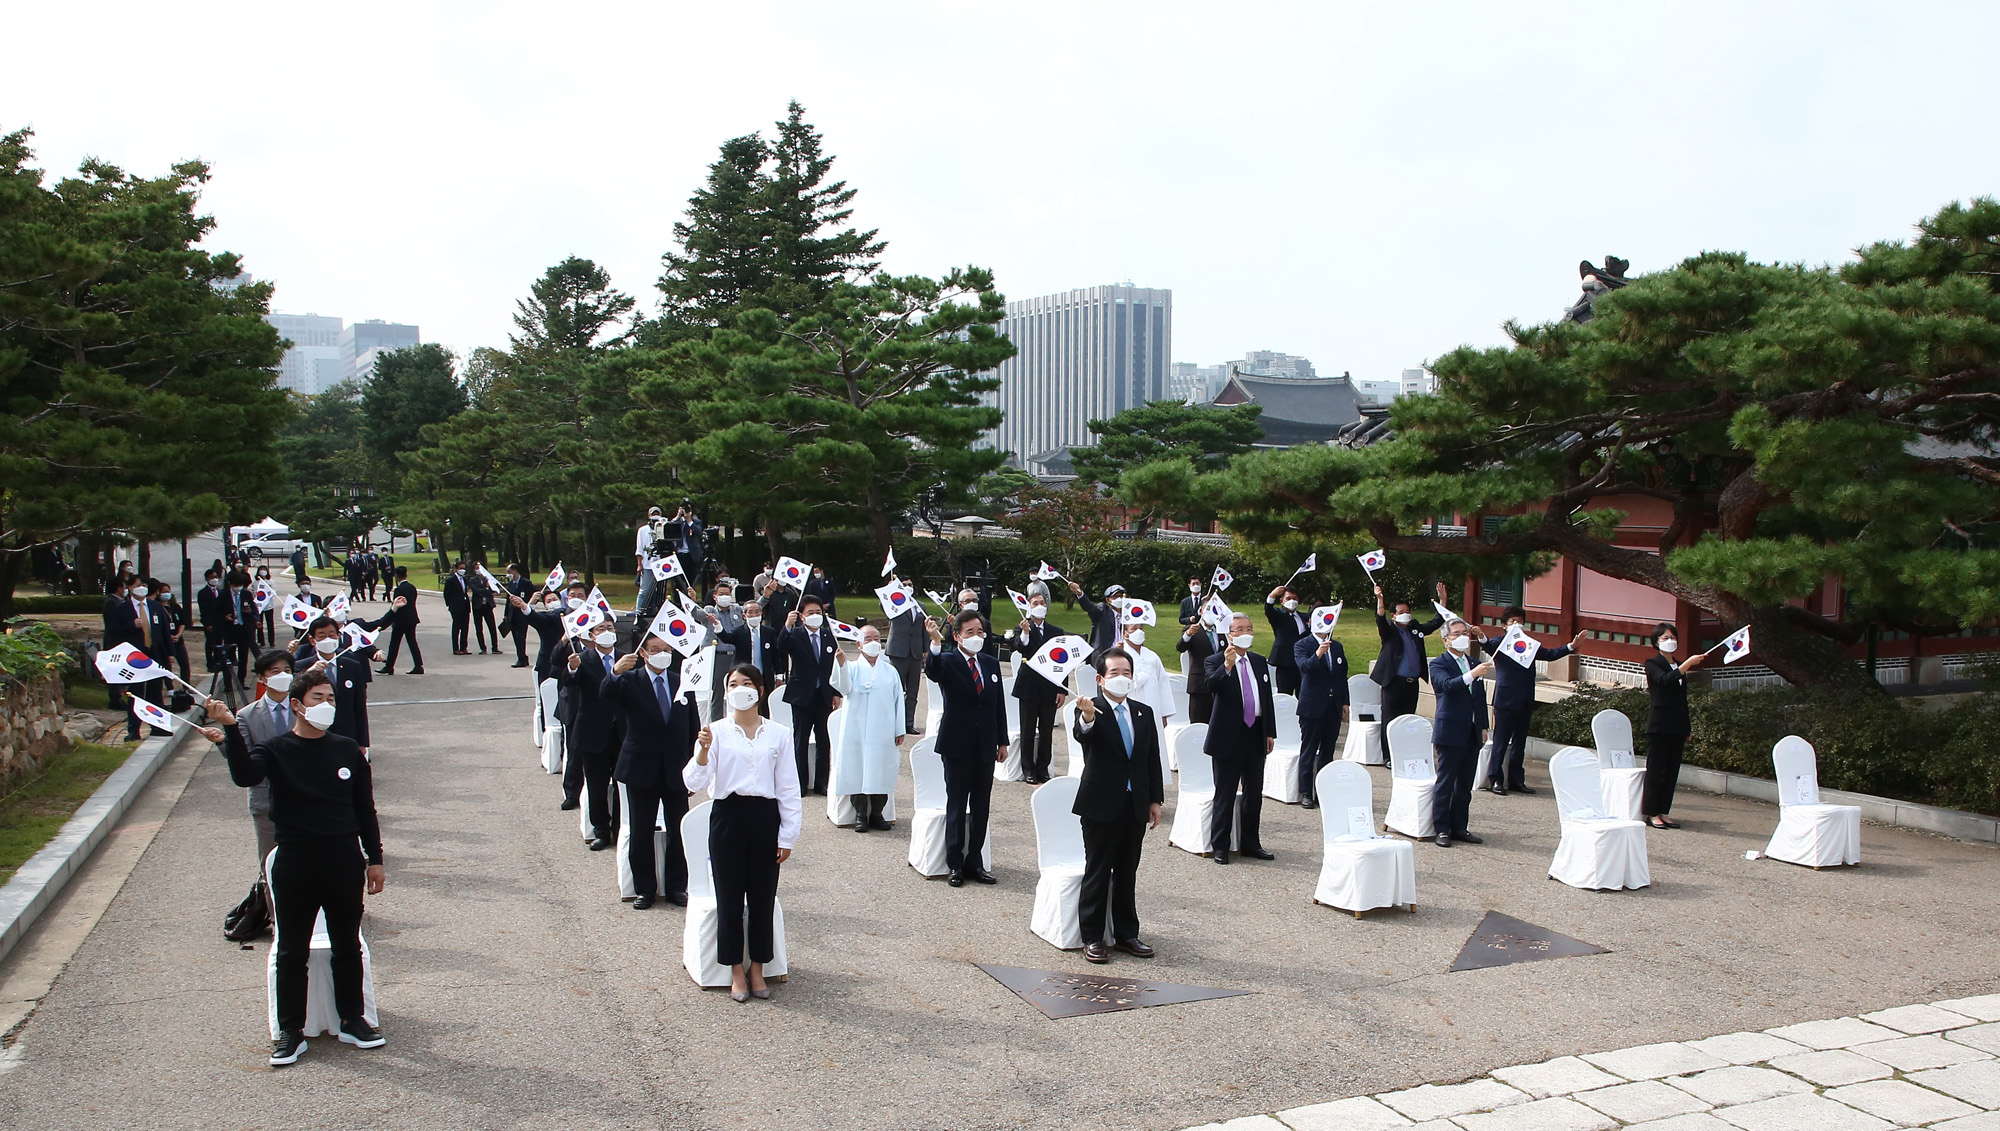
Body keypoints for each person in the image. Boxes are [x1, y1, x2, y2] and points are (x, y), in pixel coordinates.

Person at [200, 670, 385, 1067]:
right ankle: (290, 1031)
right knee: (291, 949)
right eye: (318, 698)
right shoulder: (276, 749)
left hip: (343, 859)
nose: (327, 706)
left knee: (346, 943)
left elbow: (364, 809)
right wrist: (231, 729)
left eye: (331, 698)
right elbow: (244, 776)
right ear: (297, 704)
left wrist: (375, 859)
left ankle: (353, 1019)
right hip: (296, 860)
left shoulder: (347, 750)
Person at [686, 665, 800, 1002]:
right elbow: (692, 783)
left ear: (760, 690)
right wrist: (703, 750)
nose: (740, 689)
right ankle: (735, 969)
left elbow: (789, 787)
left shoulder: (779, 733)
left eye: (747, 683)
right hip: (728, 817)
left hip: (765, 818)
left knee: (762, 898)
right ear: (726, 692)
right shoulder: (716, 731)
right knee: (730, 898)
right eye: (733, 684)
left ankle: (757, 968)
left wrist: (788, 835)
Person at [1070, 649, 1164, 964]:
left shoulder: (1143, 712)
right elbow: (1084, 735)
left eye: (1126, 672)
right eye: (1114, 673)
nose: (1121, 677)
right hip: (1100, 804)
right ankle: (1093, 937)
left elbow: (1151, 758)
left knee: (1127, 871)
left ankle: (1127, 934)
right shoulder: (1090, 708)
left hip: (1134, 803)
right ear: (1100, 679)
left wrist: (1155, 799)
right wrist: (1087, 716)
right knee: (1098, 870)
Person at [600, 634, 698, 908]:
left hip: (675, 767)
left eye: (666, 649)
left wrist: (694, 766)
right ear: (643, 652)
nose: (661, 654)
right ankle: (645, 888)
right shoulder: (631, 680)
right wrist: (616, 671)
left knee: (679, 829)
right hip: (641, 766)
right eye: (655, 649)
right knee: (641, 830)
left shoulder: (681, 681)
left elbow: (692, 724)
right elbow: (606, 693)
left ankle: (677, 886)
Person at [924, 609, 1008, 886]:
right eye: (970, 632)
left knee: (981, 806)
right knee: (957, 805)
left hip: (985, 744)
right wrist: (936, 642)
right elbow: (933, 671)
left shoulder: (990, 663)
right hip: (957, 743)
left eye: (980, 631)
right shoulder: (947, 661)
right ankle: (955, 864)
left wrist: (1002, 740)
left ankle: (976, 861)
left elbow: (998, 705)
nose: (977, 636)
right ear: (958, 635)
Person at [1486, 609, 1587, 796]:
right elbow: (1487, 647)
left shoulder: (1528, 645)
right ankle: (1496, 779)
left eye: (1520, 621)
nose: (1517, 624)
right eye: (1513, 621)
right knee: (1500, 742)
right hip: (1505, 700)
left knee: (1520, 743)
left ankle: (1517, 780)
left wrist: (1571, 646)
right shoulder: (1499, 643)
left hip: (1525, 700)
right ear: (1504, 625)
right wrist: (1481, 637)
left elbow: (1550, 654)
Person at [1202, 613, 1276, 864]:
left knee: (1254, 792)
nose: (1246, 632)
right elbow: (1212, 686)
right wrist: (1227, 666)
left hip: (1255, 732)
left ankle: (1251, 843)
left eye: (1249, 628)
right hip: (1228, 737)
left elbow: (1265, 698)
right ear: (1229, 634)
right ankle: (1220, 845)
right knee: (1225, 792)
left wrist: (1269, 732)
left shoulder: (1258, 661)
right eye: (1239, 629)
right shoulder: (1215, 660)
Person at [557, 617, 625, 848]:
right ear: (592, 635)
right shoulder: (583, 659)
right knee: (596, 785)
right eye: (601, 629)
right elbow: (568, 681)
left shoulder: (627, 658)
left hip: (622, 732)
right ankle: (601, 831)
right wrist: (572, 668)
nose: (607, 632)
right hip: (592, 732)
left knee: (621, 784)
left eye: (610, 628)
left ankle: (620, 828)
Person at [830, 625, 905, 832]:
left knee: (880, 770)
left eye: (876, 638)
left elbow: (899, 701)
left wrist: (899, 729)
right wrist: (842, 665)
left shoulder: (890, 671)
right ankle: (860, 814)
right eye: (868, 638)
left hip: (883, 731)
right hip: (857, 730)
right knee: (858, 769)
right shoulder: (852, 668)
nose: (873, 642)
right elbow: (843, 688)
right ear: (859, 643)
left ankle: (877, 813)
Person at [1429, 618, 1494, 848]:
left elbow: (1479, 699)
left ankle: (1460, 826)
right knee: (1446, 781)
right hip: (1450, 729)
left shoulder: (1474, 662)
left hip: (1471, 730)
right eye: (1456, 633)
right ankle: (1442, 828)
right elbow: (1447, 685)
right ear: (1446, 640)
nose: (1462, 636)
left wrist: (1484, 726)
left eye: (1464, 632)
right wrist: (1472, 674)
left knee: (1465, 783)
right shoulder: (1439, 664)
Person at [237, 650, 295, 897]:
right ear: (262, 678)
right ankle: (276, 920)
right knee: (272, 864)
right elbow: (244, 764)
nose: (283, 676)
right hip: (267, 802)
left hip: (307, 798)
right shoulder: (247, 716)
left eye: (287, 671)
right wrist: (224, 740)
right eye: (275, 672)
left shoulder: (307, 709)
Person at [777, 593, 842, 796]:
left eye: (818, 612)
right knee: (801, 740)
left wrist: (836, 693)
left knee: (824, 739)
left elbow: (833, 667)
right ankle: (800, 783)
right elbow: (781, 645)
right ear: (802, 616)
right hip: (801, 695)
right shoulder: (795, 635)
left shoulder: (828, 635)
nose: (815, 615)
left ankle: (822, 783)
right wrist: (788, 624)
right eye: (810, 612)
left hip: (823, 695)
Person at [1371, 581, 1448, 751]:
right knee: (1390, 719)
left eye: (1407, 612)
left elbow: (1435, 623)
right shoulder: (1390, 630)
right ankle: (1388, 755)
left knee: (1407, 718)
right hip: (1393, 682)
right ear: (1394, 615)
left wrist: (1442, 602)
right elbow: (1380, 620)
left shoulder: (1414, 628)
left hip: (1412, 682)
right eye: (1401, 612)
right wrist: (1380, 599)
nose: (1405, 615)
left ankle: (1404, 751)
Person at [1643, 623, 1704, 830]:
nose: (1670, 641)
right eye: (1665, 638)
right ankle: (1651, 812)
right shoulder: (1653, 663)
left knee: (1671, 771)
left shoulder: (1677, 665)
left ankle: (1663, 810)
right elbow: (1664, 680)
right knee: (1656, 770)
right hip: (1659, 725)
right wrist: (1686, 666)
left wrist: (1687, 727)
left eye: (1672, 637)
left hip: (1676, 725)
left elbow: (1682, 699)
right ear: (1656, 642)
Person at [293, 617, 377, 759]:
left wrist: (362, 742)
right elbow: (293, 699)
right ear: (312, 640)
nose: (327, 639)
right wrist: (309, 674)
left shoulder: (352, 666)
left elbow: (359, 706)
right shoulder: (301, 667)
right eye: (322, 636)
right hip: (313, 733)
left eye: (332, 635)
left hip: (346, 734)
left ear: (338, 636)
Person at [1005, 586, 1065, 784]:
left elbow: (1062, 661)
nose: (1039, 606)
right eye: (1035, 603)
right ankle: (1028, 769)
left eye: (1042, 603)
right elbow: (1019, 648)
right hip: (1029, 686)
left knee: (1046, 730)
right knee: (1028, 729)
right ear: (1029, 608)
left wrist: (1061, 689)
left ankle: (1043, 768)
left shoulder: (1056, 631)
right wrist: (1025, 633)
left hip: (1049, 686)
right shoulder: (1022, 628)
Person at [1293, 619, 1351, 808]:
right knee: (1309, 750)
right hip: (1312, 706)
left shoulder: (1337, 646)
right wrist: (1318, 654)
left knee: (1328, 750)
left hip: (1332, 705)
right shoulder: (1302, 645)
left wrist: (1344, 702)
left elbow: (1342, 676)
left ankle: (1324, 789)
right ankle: (1306, 791)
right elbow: (1305, 668)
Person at [883, 583, 927, 735]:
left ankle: (909, 723)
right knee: (896, 689)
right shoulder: (894, 603)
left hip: (915, 652)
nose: (908, 587)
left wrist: (926, 649)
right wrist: (890, 590)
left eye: (910, 584)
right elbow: (883, 606)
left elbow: (924, 629)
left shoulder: (920, 606)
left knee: (913, 691)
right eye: (905, 585)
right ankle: (893, 722)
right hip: (898, 650)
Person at [724, 600, 781, 717]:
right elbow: (726, 639)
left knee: (764, 705)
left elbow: (775, 654)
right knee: (747, 704)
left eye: (757, 612)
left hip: (764, 675)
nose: (754, 615)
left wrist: (779, 674)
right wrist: (717, 627)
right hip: (745, 675)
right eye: (750, 612)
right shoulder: (739, 632)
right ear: (744, 616)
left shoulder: (769, 632)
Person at [377, 566, 424, 675]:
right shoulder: (412, 587)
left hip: (401, 620)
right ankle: (418, 665)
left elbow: (397, 605)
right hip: (412, 618)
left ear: (396, 576)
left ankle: (389, 666)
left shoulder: (399, 589)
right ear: (406, 574)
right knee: (412, 642)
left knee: (394, 644)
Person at [1263, 584, 1310, 696]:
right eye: (1288, 598)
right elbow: (1268, 609)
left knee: (1304, 694)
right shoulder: (1278, 616)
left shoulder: (1305, 617)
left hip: (1302, 662)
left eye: (1294, 598)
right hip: (1285, 662)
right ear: (1282, 601)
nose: (1292, 601)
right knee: (1284, 694)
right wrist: (1272, 595)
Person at [1177, 615, 1222, 725]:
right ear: (1201, 611)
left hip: (1220, 684)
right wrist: (1188, 635)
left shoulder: (1222, 630)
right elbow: (1181, 647)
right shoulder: (1192, 630)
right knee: (1199, 723)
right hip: (1200, 685)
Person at [1069, 580, 1125, 660]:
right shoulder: (1102, 611)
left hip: (1124, 656)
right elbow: (1089, 607)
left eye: (1121, 596)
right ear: (1108, 600)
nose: (1119, 599)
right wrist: (1079, 593)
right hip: (1104, 656)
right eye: (1115, 596)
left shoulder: (1128, 615)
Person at [155, 578, 193, 684]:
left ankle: (186, 685)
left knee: (184, 663)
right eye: (163, 592)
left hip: (178, 640)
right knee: (167, 665)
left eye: (168, 591)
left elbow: (182, 622)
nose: (166, 594)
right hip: (166, 640)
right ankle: (169, 686)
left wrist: (178, 635)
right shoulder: (157, 607)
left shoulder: (175, 607)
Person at [499, 563, 535, 667]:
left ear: (515, 571)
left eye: (509, 572)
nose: (508, 574)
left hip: (522, 615)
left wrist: (529, 607)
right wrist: (506, 614)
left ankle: (522, 659)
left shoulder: (526, 583)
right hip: (512, 615)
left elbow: (535, 595)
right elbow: (508, 600)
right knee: (515, 637)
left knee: (520, 637)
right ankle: (522, 657)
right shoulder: (511, 584)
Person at [635, 506, 662, 611]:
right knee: (644, 590)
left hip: (660, 564)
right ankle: (639, 610)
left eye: (657, 514)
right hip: (647, 564)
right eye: (653, 514)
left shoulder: (662, 528)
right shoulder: (642, 530)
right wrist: (639, 564)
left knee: (658, 591)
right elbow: (640, 549)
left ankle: (655, 610)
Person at [443, 562, 472, 655]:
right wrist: (450, 605)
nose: (462, 570)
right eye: (461, 568)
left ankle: (464, 647)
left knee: (465, 627)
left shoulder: (465, 579)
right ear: (456, 569)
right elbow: (446, 594)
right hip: (456, 607)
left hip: (465, 606)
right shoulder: (451, 580)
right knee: (456, 627)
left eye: (464, 568)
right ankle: (455, 648)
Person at [469, 564, 498, 655]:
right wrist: (486, 590)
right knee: (479, 628)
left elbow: (493, 590)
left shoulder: (488, 579)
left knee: (492, 627)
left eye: (479, 568)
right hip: (478, 606)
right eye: (476, 568)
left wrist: (487, 591)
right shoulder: (472, 580)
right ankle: (482, 647)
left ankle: (495, 647)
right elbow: (476, 590)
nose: (478, 570)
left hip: (488, 605)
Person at [253, 565, 277, 649]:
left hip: (269, 606)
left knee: (270, 624)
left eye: (264, 570)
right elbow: (254, 594)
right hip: (259, 606)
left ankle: (272, 642)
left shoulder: (271, 582)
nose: (263, 571)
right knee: (259, 624)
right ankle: (261, 642)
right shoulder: (255, 583)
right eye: (261, 570)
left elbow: (274, 591)